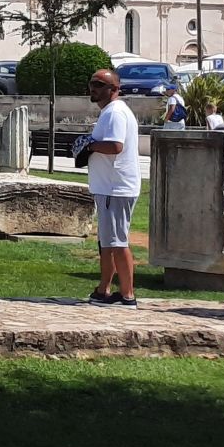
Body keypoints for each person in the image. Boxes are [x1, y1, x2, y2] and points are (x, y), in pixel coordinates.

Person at [79, 68, 141, 305]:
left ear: (114, 89)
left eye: (100, 84)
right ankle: (103, 289)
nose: (93, 88)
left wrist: (90, 146)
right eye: (92, 83)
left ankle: (127, 295)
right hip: (108, 187)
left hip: (116, 188)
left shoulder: (115, 112)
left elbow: (115, 146)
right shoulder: (110, 112)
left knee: (117, 242)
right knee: (107, 242)